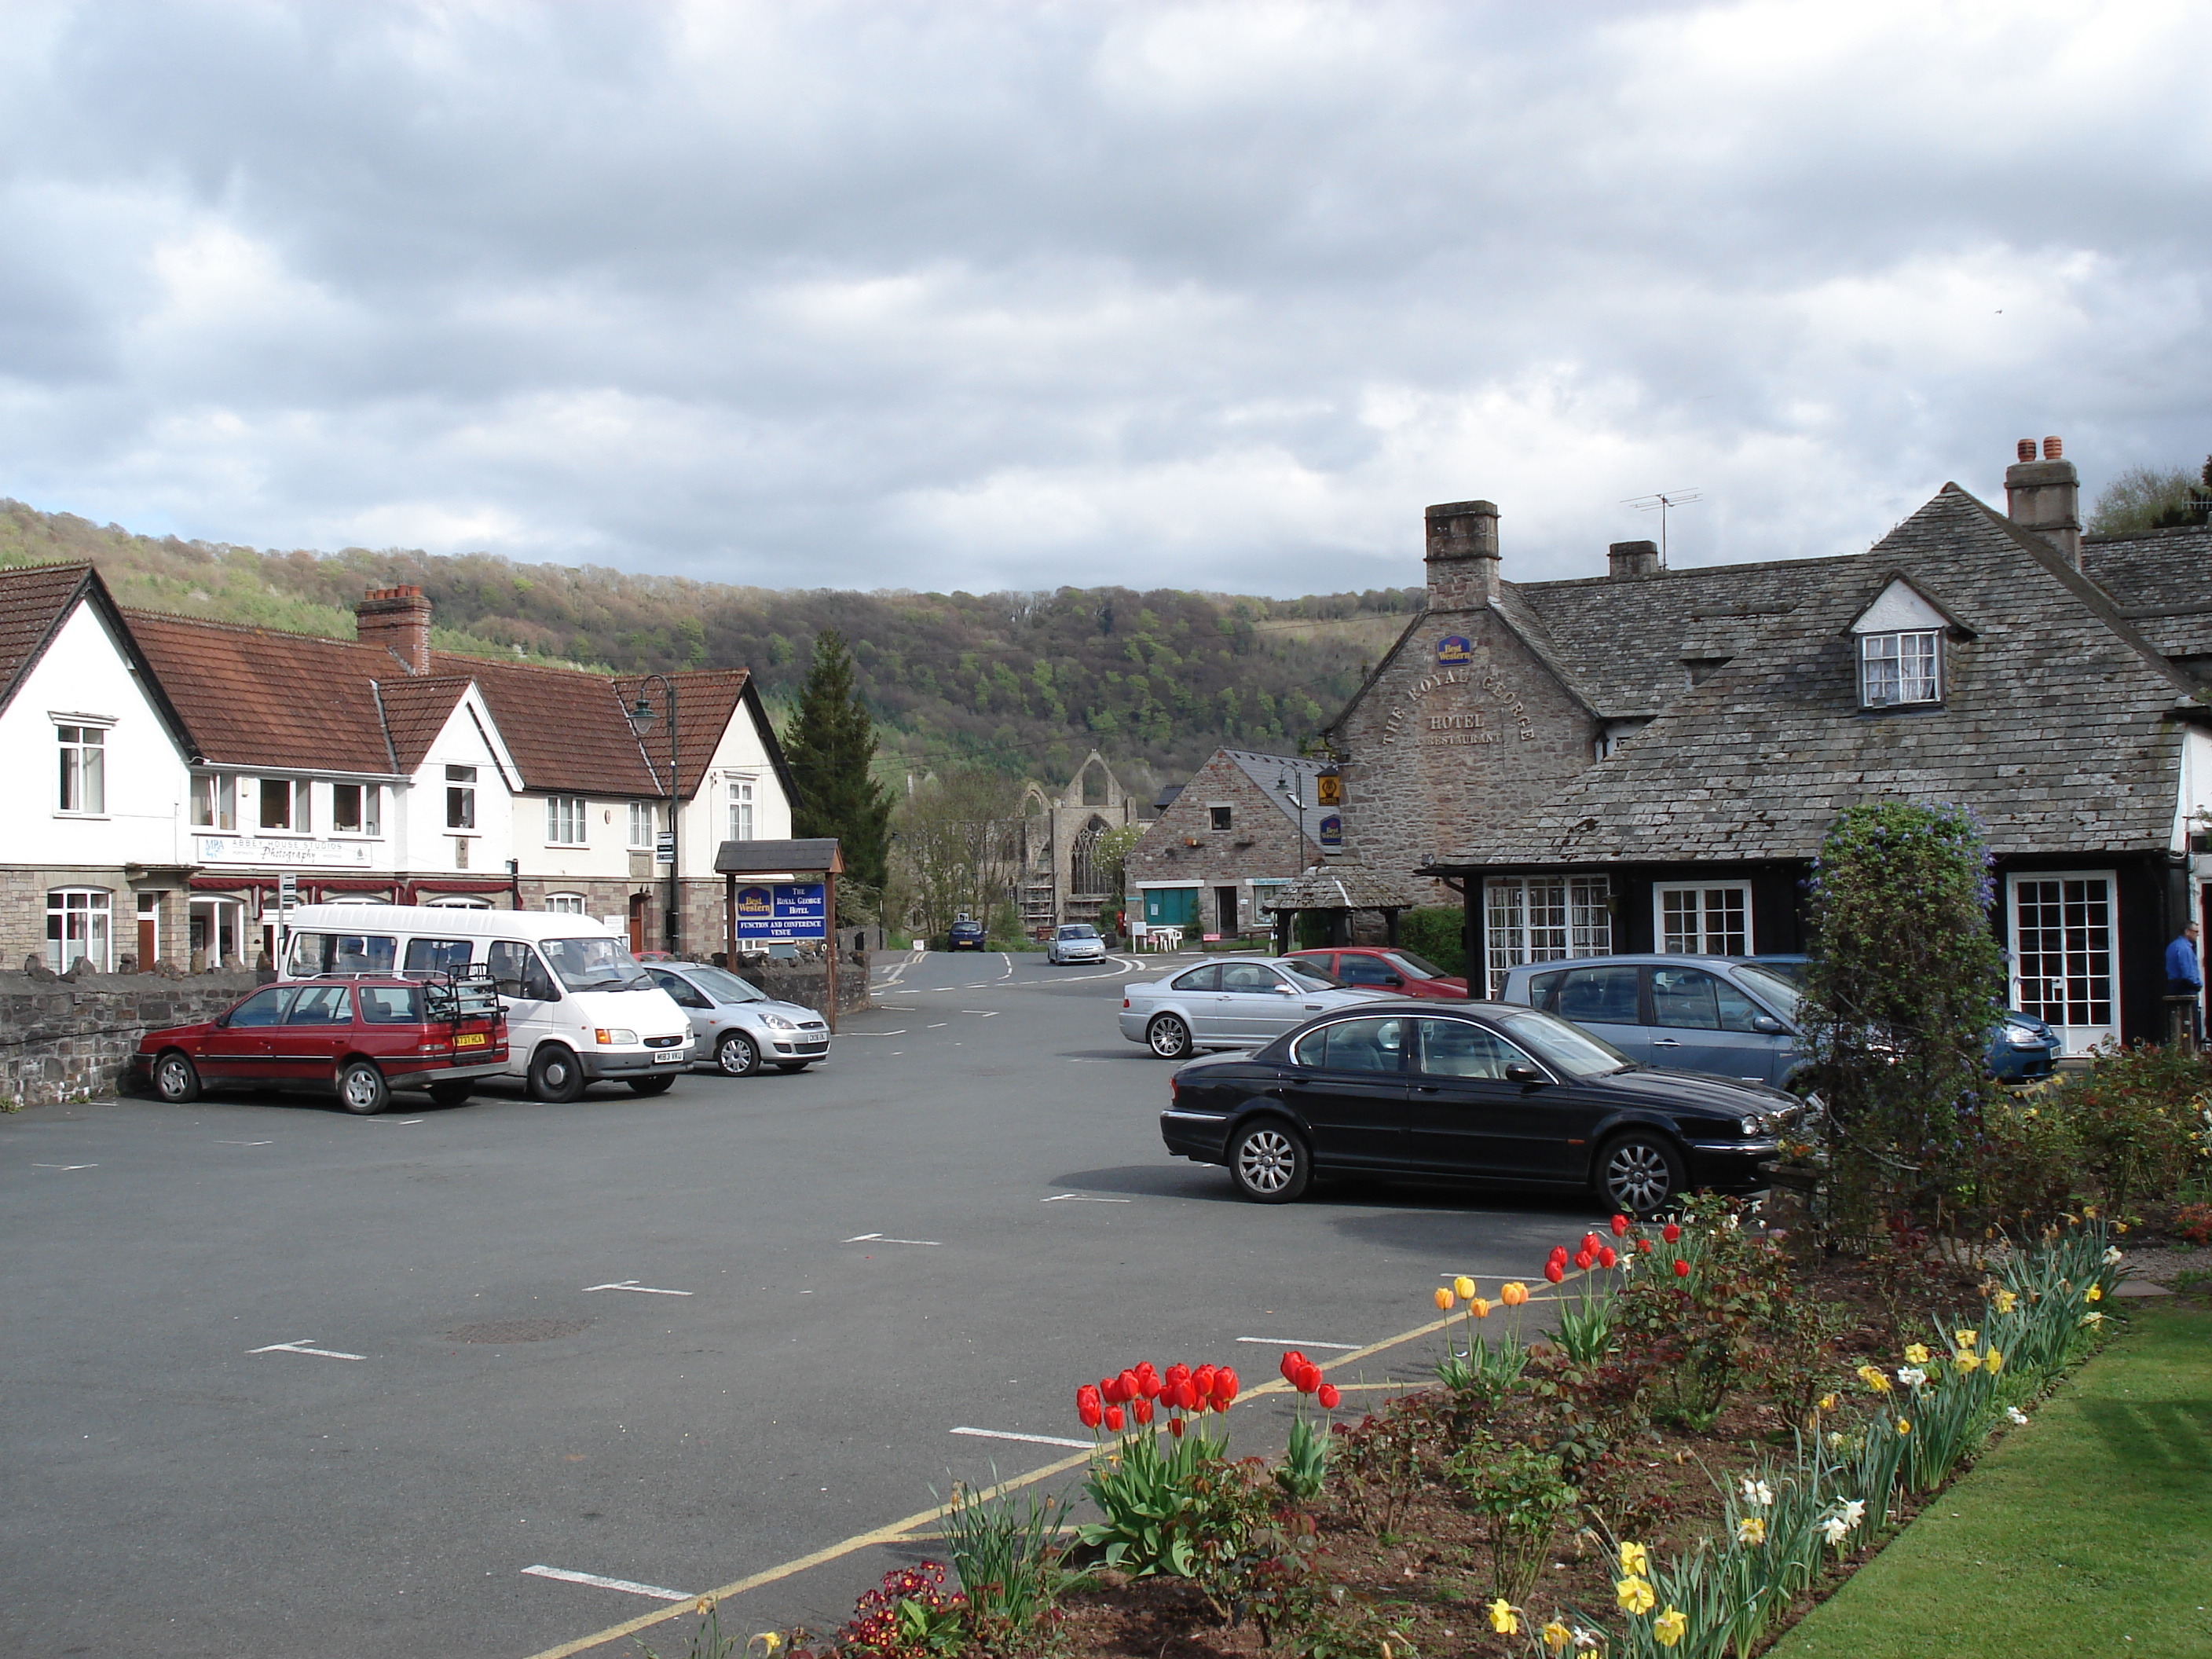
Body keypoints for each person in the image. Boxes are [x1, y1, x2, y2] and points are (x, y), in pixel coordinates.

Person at [2167, 919, 2204, 1044]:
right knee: (2190, 1021)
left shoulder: (2173, 946)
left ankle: (2178, 1047)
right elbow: (2187, 972)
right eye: (2196, 932)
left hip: (2173, 984)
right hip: (2185, 986)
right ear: (2188, 932)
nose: (2197, 935)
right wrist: (2198, 984)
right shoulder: (2184, 948)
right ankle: (2191, 1049)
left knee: (2177, 1020)